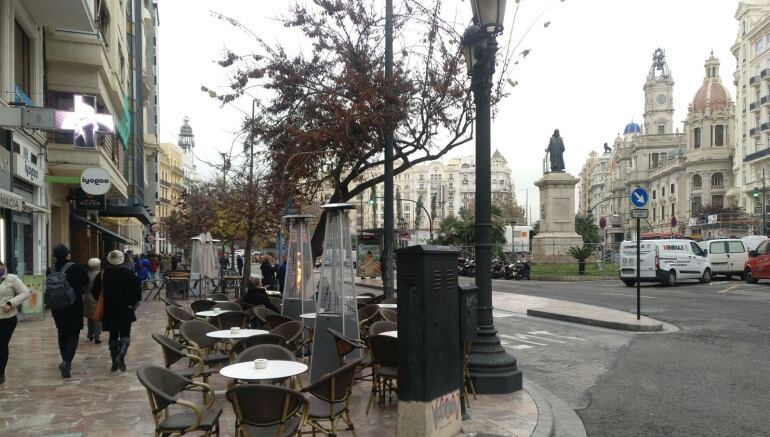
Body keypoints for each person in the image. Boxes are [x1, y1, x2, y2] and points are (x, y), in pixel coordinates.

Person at [91, 250, 141, 372]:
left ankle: (114, 360)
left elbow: (94, 291)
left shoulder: (103, 274)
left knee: (113, 334)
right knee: (125, 333)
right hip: (125, 308)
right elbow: (137, 293)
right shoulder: (129, 274)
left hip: (109, 309)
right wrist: (131, 305)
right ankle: (121, 356)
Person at [48, 244, 89, 378]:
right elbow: (86, 280)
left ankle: (65, 359)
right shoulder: (76, 267)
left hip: (56, 305)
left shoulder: (51, 269)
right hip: (73, 304)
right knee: (73, 333)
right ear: (67, 254)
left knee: (62, 332)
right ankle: (67, 361)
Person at [0, 260, 30, 385]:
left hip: (7, 318)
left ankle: (0, 372)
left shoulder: (11, 278)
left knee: (1, 344)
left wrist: (10, 303)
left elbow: (25, 293)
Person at [83, 258, 103, 344]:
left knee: (90, 317)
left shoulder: (87, 274)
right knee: (98, 317)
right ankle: (97, 336)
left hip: (87, 297)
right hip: (97, 297)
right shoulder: (101, 274)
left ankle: (90, 334)